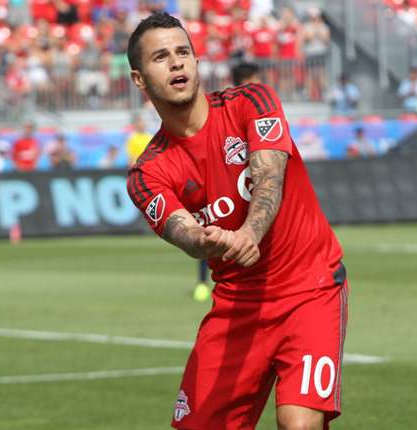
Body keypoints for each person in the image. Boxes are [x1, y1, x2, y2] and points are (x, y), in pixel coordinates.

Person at [126, 13, 347, 430]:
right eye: (161, 57)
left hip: (309, 287)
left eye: (183, 52)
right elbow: (181, 230)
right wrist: (202, 240)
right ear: (139, 79)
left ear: (196, 61)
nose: (176, 62)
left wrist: (250, 233)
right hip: (236, 305)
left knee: (299, 424)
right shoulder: (147, 172)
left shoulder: (252, 101)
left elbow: (269, 177)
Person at [194, 61, 262, 302]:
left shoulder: (246, 106)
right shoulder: (231, 109)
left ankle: (208, 282)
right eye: (256, 79)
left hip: (240, 184)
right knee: (214, 235)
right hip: (227, 185)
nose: (259, 84)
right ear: (247, 81)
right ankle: (205, 282)